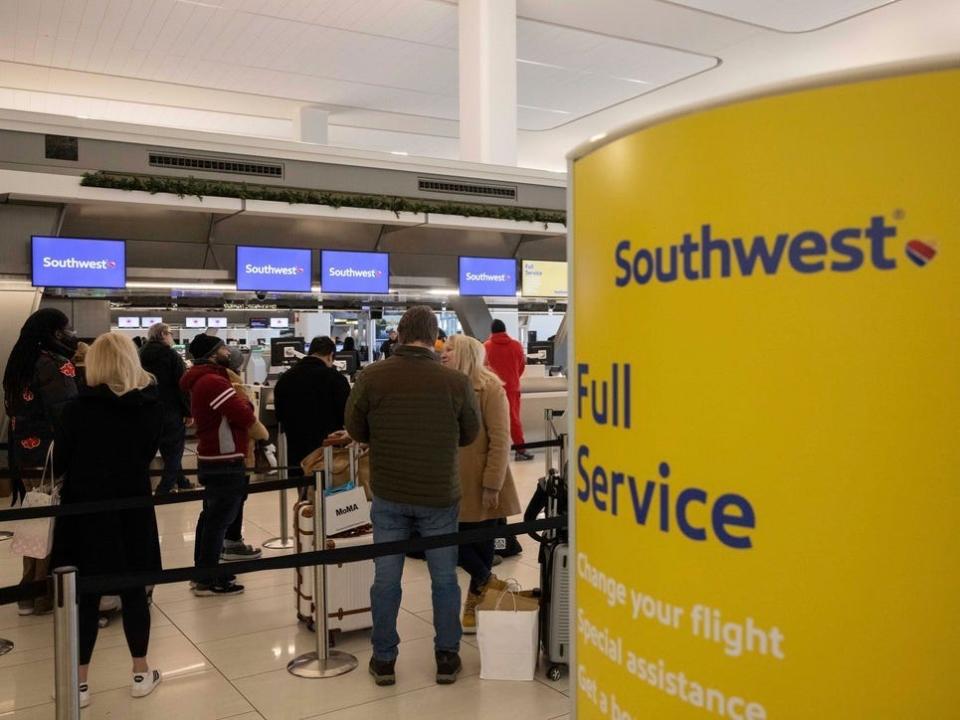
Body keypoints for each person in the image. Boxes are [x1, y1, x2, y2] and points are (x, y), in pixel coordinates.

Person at [345, 306, 480, 687]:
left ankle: (384, 659)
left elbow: (355, 428)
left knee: (385, 580)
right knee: (444, 580)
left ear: (399, 334)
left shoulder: (372, 377)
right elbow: (470, 433)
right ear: (435, 336)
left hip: (389, 492)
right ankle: (447, 657)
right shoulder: (455, 382)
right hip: (439, 493)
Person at [51, 332, 163, 708]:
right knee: (134, 591)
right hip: (132, 507)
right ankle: (140, 671)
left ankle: (80, 683)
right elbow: (149, 453)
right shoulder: (148, 407)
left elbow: (61, 461)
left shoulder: (75, 410)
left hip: (83, 512)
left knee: (85, 594)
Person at [440, 335, 521, 633]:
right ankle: (489, 582)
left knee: (481, 542)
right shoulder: (444, 385)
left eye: (449, 350)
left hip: (482, 480)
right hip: (450, 481)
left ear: (464, 354)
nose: (443, 353)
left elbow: (501, 439)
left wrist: (492, 484)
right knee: (451, 539)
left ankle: (475, 600)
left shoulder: (489, 388)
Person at [2, 308, 80, 616]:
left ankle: (26, 591)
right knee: (51, 523)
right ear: (55, 332)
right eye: (66, 328)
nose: (70, 333)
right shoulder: (55, 364)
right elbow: (68, 412)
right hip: (52, 453)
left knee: (35, 519)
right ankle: (43, 592)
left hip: (25, 454)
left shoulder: (18, 363)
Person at [180, 334, 258, 596]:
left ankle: (203, 572)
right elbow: (243, 414)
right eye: (223, 348)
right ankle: (207, 579)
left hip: (212, 457)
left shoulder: (203, 379)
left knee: (210, 516)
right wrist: (245, 400)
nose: (229, 352)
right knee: (218, 519)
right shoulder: (214, 382)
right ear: (214, 355)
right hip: (224, 459)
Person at [274, 336, 350, 477]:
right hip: (328, 452)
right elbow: (347, 414)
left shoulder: (285, 378)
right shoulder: (335, 378)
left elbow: (279, 416)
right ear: (330, 356)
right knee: (329, 493)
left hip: (296, 450)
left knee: (303, 492)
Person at [221, 346, 267, 561]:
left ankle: (226, 543)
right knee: (234, 500)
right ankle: (232, 542)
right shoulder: (233, 384)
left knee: (225, 502)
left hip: (226, 451)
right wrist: (261, 433)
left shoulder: (219, 381)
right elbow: (245, 416)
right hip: (236, 451)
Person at [140, 323, 193, 494]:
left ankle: (182, 481)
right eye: (170, 333)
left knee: (162, 448)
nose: (172, 337)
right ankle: (164, 487)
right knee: (174, 450)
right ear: (163, 334)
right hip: (170, 409)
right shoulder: (170, 355)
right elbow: (181, 385)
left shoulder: (140, 354)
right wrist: (188, 411)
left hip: (147, 408)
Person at [484, 320, 533, 461]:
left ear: (492, 331)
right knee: (514, 420)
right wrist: (513, 377)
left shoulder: (486, 346)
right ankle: (520, 450)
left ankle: (492, 452)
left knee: (490, 420)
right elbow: (521, 366)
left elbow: (482, 368)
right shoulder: (516, 345)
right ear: (505, 330)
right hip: (512, 388)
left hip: (492, 389)